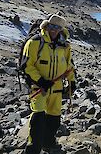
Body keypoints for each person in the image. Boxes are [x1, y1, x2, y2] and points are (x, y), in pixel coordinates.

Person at [21, 14, 76, 154]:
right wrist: (41, 81)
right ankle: (33, 149)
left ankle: (48, 143)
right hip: (38, 88)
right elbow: (27, 65)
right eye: (51, 26)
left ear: (61, 29)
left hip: (56, 89)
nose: (54, 30)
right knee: (38, 118)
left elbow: (69, 66)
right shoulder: (35, 43)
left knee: (54, 118)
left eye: (57, 27)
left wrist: (72, 82)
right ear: (46, 26)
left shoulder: (65, 46)